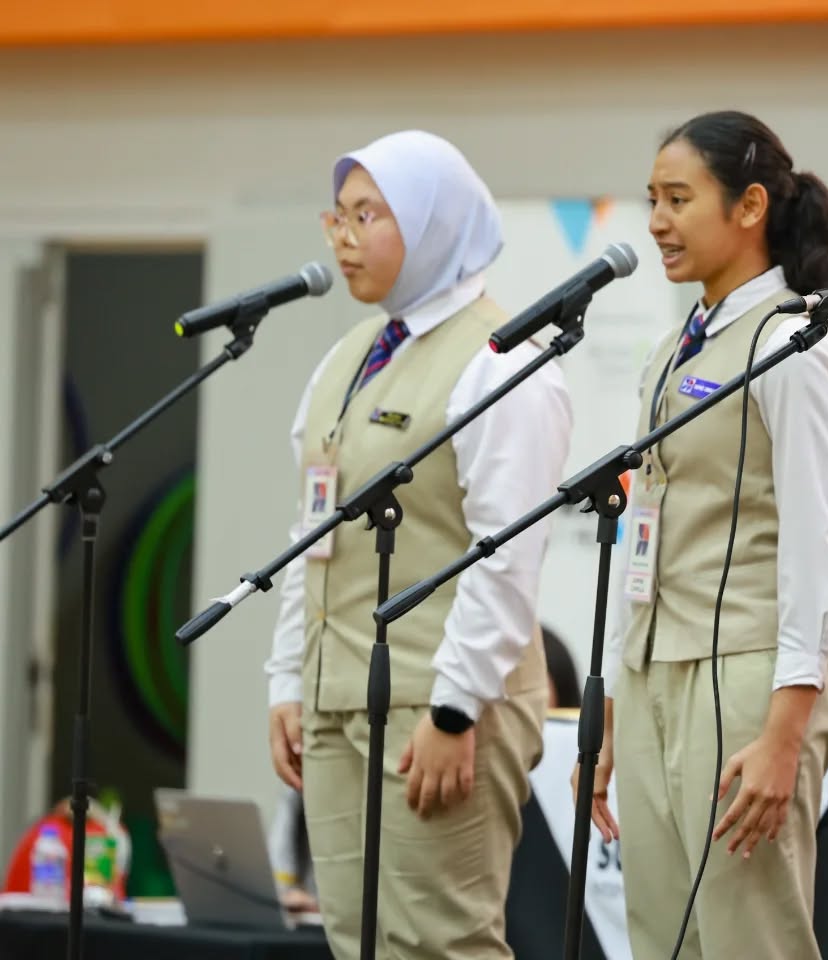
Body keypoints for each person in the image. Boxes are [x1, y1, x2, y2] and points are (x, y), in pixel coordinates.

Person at [263, 130, 572, 960]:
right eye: (339, 215)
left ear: (436, 222)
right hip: (337, 699)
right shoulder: (347, 358)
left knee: (439, 944)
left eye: (369, 215)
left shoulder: (502, 360)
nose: (343, 236)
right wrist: (289, 680)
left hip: (438, 706)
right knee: (353, 941)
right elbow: (311, 534)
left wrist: (454, 707)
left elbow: (506, 555)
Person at [575, 110, 828, 960]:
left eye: (678, 199)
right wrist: (618, 706)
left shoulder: (793, 343)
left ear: (748, 207)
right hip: (657, 672)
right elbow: (649, 532)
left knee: (751, 937)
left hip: (747, 678)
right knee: (661, 938)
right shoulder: (673, 348)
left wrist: (784, 733)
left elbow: (820, 553)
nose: (657, 222)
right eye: (651, 200)